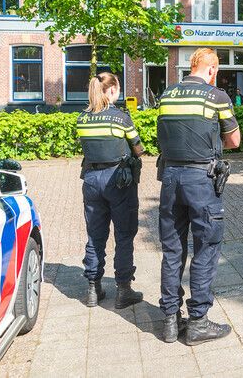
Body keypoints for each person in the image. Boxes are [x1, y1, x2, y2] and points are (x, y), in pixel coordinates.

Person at [156, 47, 241, 346]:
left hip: (170, 179)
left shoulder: (166, 95)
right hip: (201, 181)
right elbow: (234, 139)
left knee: (172, 250)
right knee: (206, 246)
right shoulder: (217, 96)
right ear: (213, 70)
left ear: (190, 66)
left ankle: (169, 321)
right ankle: (198, 322)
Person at [76, 72, 144, 309]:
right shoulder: (120, 118)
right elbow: (138, 149)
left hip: (91, 180)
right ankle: (123, 289)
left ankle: (93, 289)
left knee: (95, 235)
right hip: (118, 181)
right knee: (124, 235)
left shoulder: (81, 119)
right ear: (113, 90)